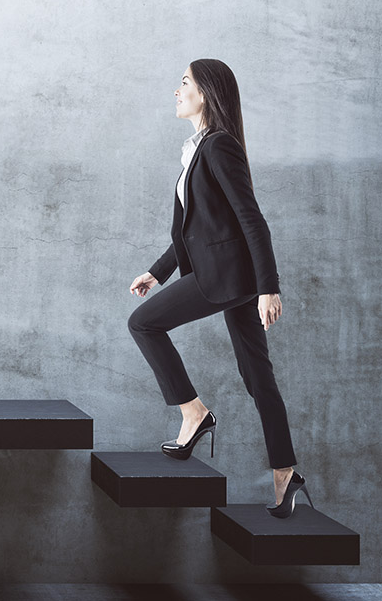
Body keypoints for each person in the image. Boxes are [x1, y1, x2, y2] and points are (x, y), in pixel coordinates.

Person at [126, 59, 312, 518]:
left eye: (184, 82)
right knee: (258, 379)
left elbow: (251, 218)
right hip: (230, 276)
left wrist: (270, 287)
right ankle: (286, 478)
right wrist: (159, 272)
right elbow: (200, 229)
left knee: (143, 323)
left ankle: (194, 413)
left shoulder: (219, 146)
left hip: (227, 279)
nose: (176, 90)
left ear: (206, 92)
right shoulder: (198, 148)